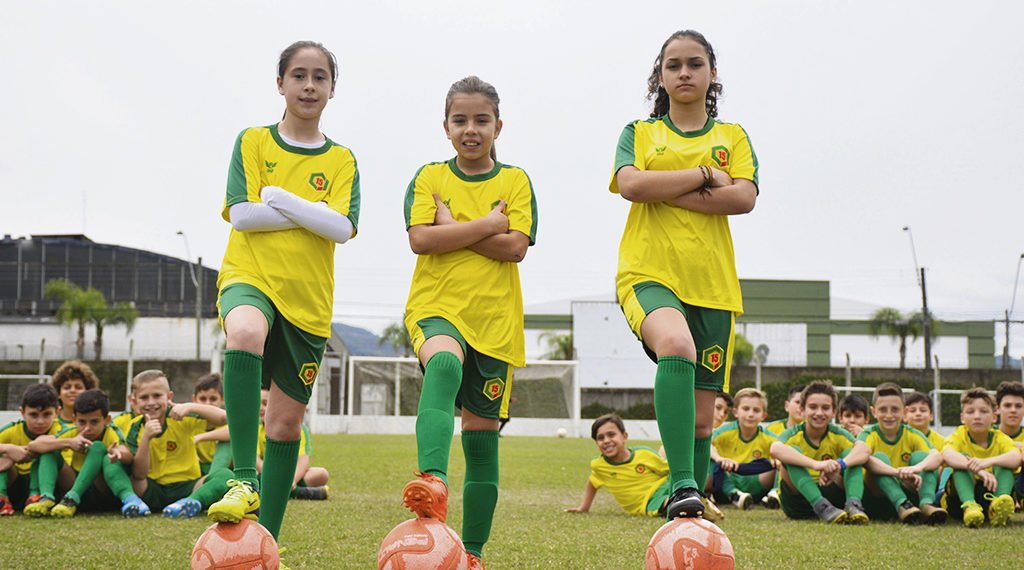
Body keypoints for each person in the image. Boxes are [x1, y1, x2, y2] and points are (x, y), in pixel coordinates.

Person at [207, 40, 360, 546]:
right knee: (245, 331)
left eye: (320, 76)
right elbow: (243, 214)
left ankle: (265, 545)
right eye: (299, 75)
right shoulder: (253, 141)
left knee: (286, 429)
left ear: (333, 88)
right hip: (249, 277)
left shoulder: (341, 159)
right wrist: (310, 210)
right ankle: (243, 479)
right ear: (280, 83)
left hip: (309, 303)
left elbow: (341, 228)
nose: (309, 85)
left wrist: (279, 197)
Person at [610, 29, 758, 521]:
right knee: (675, 345)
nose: (684, 72)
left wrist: (663, 187)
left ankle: (691, 511)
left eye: (695, 63)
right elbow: (631, 184)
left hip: (714, 286)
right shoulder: (640, 132)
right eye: (673, 65)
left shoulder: (732, 136)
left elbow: (744, 198)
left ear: (713, 73)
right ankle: (682, 486)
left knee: (699, 422)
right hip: (648, 272)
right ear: (660, 76)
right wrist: (701, 176)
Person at [400, 75, 537, 568]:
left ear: (498, 125)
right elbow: (421, 240)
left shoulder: (516, 181)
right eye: (461, 120)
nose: (471, 129)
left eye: (481, 120)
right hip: (436, 306)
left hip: (496, 324)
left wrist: (451, 226)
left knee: (482, 441)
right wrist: (486, 225)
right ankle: (432, 478)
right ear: (446, 126)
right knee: (443, 364)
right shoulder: (429, 177)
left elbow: (515, 248)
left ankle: (473, 554)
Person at [124, 370, 235, 518]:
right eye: (144, 397)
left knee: (225, 475)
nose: (151, 402)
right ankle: (136, 504)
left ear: (169, 397)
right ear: (135, 401)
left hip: (188, 486)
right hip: (153, 489)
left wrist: (191, 406)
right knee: (133, 479)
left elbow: (225, 418)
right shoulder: (135, 427)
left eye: (157, 396)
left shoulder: (180, 415)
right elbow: (140, 473)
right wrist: (146, 438)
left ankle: (190, 502)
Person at [24, 389, 148, 517]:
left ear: (106, 420)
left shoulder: (111, 432)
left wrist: (117, 453)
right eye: (82, 422)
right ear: (74, 419)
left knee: (98, 448)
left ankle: (73, 499)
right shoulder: (71, 433)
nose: (87, 428)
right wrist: (68, 443)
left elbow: (126, 452)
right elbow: (33, 446)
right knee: (48, 451)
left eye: (94, 422)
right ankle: (46, 498)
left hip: (101, 491)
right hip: (72, 484)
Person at [196, 388, 329, 500]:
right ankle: (297, 492)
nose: (260, 408)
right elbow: (254, 459)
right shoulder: (253, 425)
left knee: (320, 474)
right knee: (242, 475)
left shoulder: (295, 427)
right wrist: (272, 477)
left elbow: (303, 460)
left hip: (286, 474)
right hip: (262, 474)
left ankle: (285, 488)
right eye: (256, 403)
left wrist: (292, 480)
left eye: (266, 403)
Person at [770, 381, 871, 523]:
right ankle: (820, 505)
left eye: (825, 408)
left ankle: (853, 505)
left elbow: (864, 450)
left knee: (852, 455)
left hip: (832, 500)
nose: (819, 413)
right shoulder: (793, 433)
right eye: (812, 407)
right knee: (790, 453)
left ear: (834, 411)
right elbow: (775, 449)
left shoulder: (838, 434)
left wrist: (839, 464)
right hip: (798, 503)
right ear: (802, 410)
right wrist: (816, 465)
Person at [857, 383, 946, 524]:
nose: (889, 415)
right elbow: (863, 457)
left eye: (895, 410)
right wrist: (897, 472)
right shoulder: (868, 434)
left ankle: (927, 504)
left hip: (911, 497)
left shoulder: (912, 434)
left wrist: (917, 468)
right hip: (878, 498)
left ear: (904, 412)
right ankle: (901, 504)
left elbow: (936, 457)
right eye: (883, 410)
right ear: (874, 412)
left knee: (922, 457)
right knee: (878, 458)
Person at [940, 387, 1020, 527]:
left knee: (1005, 463)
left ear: (994, 417)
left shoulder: (1000, 438)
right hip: (959, 500)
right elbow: (948, 454)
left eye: (983, 411)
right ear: (962, 418)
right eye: (970, 412)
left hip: (990, 490)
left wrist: (987, 462)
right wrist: (978, 469)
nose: (977, 416)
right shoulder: (959, 435)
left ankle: (998, 505)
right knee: (962, 462)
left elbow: (1015, 457)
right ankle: (969, 506)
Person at [566, 414, 670, 516]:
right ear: (596, 443)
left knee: (665, 450)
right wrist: (584, 507)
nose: (606, 441)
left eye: (611, 435)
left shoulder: (644, 454)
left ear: (624, 436)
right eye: (600, 438)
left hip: (667, 485)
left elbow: (669, 470)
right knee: (674, 505)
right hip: (649, 502)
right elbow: (593, 483)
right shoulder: (599, 466)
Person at [710, 388, 779, 510]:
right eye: (746, 409)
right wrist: (719, 458)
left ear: (764, 416)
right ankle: (734, 495)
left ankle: (775, 494)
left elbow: (783, 450)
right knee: (708, 457)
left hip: (756, 483)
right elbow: (706, 444)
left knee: (783, 462)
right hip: (727, 482)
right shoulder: (723, 433)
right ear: (736, 412)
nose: (751, 414)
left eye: (756, 410)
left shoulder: (769, 438)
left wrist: (778, 460)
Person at [0, 384, 61, 515]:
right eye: (33, 415)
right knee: (3, 457)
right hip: (16, 482)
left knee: (49, 452)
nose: (40, 421)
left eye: (47, 414)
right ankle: (2, 498)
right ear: (22, 412)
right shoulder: (11, 431)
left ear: (57, 412)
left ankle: (41, 497)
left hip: (52, 483)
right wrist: (7, 448)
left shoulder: (63, 430)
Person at [192, 373, 232, 476]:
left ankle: (213, 478)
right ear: (194, 399)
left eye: (213, 399)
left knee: (228, 442)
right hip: (196, 470)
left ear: (222, 400)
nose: (208, 403)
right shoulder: (191, 421)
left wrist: (200, 437)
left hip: (222, 469)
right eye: (203, 399)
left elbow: (234, 431)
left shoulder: (227, 420)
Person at [994, 381, 1024, 501]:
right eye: (1007, 405)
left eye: (1018, 406)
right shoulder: (986, 434)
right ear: (997, 409)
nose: (1013, 410)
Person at [50, 360, 100, 431]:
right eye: (67, 387)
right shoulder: (49, 422)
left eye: (78, 387)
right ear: (58, 393)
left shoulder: (98, 422)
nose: (72, 391)